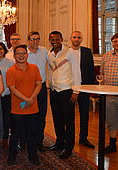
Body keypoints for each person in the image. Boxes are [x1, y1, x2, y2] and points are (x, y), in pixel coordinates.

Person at [6, 45, 42, 166]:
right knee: (15, 135)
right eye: (18, 53)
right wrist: (26, 99)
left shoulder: (34, 68)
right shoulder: (10, 71)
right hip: (17, 110)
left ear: (27, 55)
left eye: (23, 53)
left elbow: (39, 84)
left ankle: (33, 155)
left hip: (33, 107)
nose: (21, 55)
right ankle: (12, 156)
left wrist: (31, 99)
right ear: (14, 56)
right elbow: (12, 89)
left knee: (32, 134)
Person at [47, 31, 76, 159]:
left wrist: (76, 91)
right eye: (52, 39)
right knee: (57, 119)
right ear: (49, 40)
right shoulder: (49, 54)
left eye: (57, 39)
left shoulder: (70, 52)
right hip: (54, 91)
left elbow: (77, 72)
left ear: (62, 39)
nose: (55, 41)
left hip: (67, 91)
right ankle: (59, 143)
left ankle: (69, 147)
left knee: (68, 121)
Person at [68, 31, 95, 149]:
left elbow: (91, 70)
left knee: (84, 114)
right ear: (70, 38)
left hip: (84, 87)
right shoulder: (65, 52)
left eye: (79, 37)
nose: (76, 39)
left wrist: (91, 87)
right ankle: (69, 139)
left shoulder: (87, 52)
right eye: (74, 37)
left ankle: (83, 138)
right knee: (69, 115)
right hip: (69, 87)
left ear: (81, 39)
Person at [101, 33, 118, 154]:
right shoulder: (106, 56)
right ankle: (112, 145)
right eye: (115, 41)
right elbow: (102, 74)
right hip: (109, 96)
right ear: (112, 43)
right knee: (112, 122)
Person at [27, 31, 48, 151]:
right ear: (28, 40)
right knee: (27, 115)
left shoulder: (44, 51)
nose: (35, 42)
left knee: (41, 115)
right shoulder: (24, 52)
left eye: (37, 39)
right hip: (27, 89)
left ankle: (39, 141)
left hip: (42, 89)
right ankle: (25, 140)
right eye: (32, 39)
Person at [0, 42, 14, 147]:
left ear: (4, 50)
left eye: (1, 49)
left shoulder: (9, 62)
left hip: (6, 94)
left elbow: (13, 78)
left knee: (6, 118)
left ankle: (5, 138)